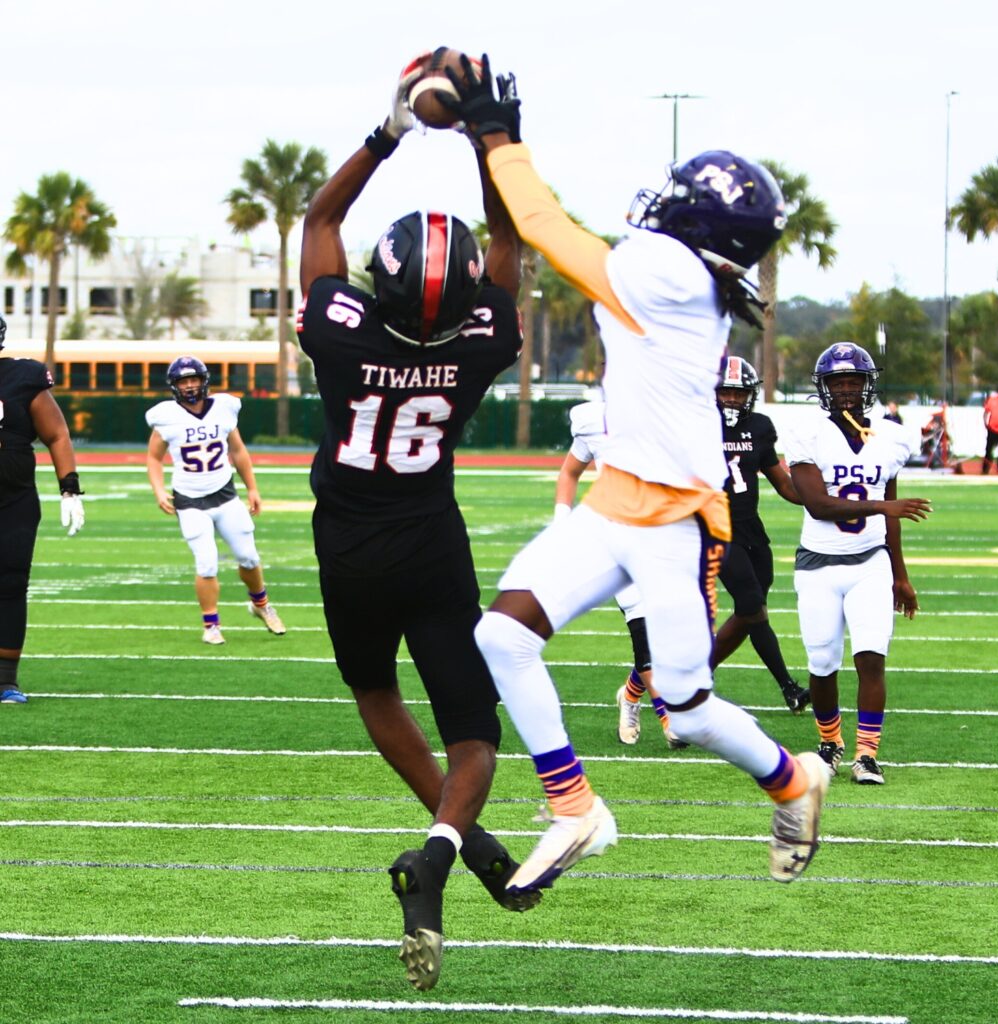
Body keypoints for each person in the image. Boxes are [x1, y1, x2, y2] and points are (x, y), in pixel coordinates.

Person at [445, 56, 831, 896]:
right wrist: (496, 145)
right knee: (501, 635)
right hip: (616, 498)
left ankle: (795, 780)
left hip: (674, 521)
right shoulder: (688, 272)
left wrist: (499, 140)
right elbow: (547, 224)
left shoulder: (666, 273)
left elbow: (547, 227)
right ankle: (574, 806)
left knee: (686, 709)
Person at [296, 53, 534, 993]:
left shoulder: (343, 329)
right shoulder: (481, 341)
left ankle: (461, 840)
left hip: (347, 542)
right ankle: (448, 842)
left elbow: (318, 220)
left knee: (376, 696)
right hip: (433, 539)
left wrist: (387, 134)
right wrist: (492, 143)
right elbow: (511, 246)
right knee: (476, 735)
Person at [786, 343, 931, 786]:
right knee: (823, 660)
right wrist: (885, 509)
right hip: (818, 565)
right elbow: (816, 504)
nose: (846, 390)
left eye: (853, 382)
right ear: (824, 388)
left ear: (868, 386)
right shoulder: (806, 432)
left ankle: (867, 754)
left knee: (872, 657)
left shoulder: (891, 435)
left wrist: (901, 576)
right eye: (837, 382)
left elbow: (892, 511)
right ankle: (830, 743)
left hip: (871, 562)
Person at [554, 397, 685, 747]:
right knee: (643, 630)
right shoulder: (593, 419)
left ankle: (629, 696)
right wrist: (561, 521)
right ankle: (670, 720)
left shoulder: (674, 412)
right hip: (618, 538)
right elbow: (569, 472)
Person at [145, 356, 286, 644]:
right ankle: (211, 625)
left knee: (248, 556)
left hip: (224, 494)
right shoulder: (165, 415)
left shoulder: (224, 408)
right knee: (207, 563)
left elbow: (239, 451)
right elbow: (153, 457)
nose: (190, 385)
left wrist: (253, 489)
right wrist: (158, 490)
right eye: (184, 381)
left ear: (204, 381)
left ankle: (261, 605)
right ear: (174, 386)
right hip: (190, 500)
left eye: (194, 379)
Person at [712, 356, 809, 712]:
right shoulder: (698, 425)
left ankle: (696, 676)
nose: (733, 400)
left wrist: (820, 500)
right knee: (752, 606)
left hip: (752, 529)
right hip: (717, 529)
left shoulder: (761, 426)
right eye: (726, 392)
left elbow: (781, 481)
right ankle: (788, 686)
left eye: (739, 394)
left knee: (750, 610)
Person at [0, 313, 85, 704]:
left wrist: (70, 489)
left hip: (13, 499)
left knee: (11, 584)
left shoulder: (22, 377)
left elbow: (56, 433)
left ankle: (5, 679)